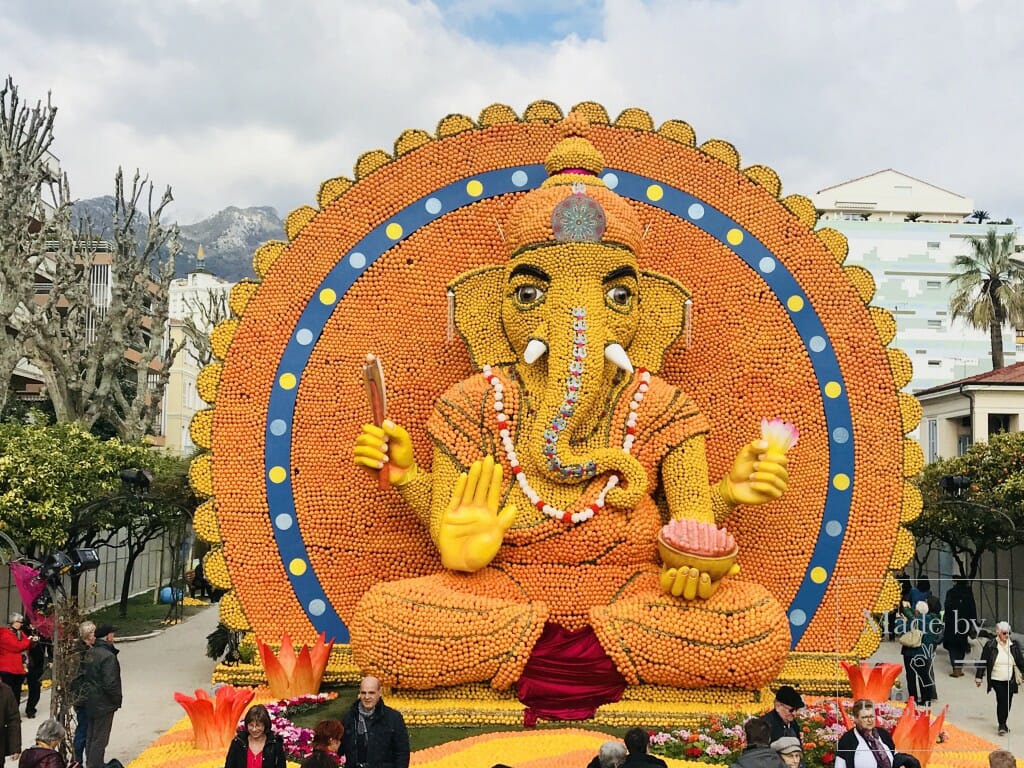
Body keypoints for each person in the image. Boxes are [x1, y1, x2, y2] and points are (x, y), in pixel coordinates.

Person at [340, 676, 410, 768]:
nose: (367, 697)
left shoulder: (393, 718)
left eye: (371, 693)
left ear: (379, 693)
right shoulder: (349, 717)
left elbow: (402, 753)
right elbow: (340, 747)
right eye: (363, 693)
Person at [974, 621, 1024, 736]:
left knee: (1008, 702)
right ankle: (1002, 724)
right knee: (1002, 700)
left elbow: (1020, 662)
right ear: (998, 633)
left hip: (1010, 678)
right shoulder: (990, 645)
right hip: (996, 678)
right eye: (1005, 633)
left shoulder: (1014, 646)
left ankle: (1003, 722)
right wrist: (979, 677)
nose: (1007, 635)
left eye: (1008, 633)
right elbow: (983, 661)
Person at [83, 624, 121, 768]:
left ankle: (91, 763)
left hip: (91, 700)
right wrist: (116, 700)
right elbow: (110, 683)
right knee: (100, 738)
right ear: (108, 636)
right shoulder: (108, 656)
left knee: (91, 735)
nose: (114, 637)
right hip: (104, 703)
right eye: (112, 634)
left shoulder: (90, 653)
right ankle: (95, 765)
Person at [900, 599, 941, 706]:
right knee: (924, 676)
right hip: (925, 652)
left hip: (910, 653)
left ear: (917, 611)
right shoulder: (932, 620)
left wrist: (902, 619)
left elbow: (902, 630)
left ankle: (912, 699)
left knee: (911, 676)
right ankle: (926, 699)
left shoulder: (913, 621)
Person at [835, 698, 896, 768]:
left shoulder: (883, 734)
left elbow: (895, 754)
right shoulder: (847, 740)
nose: (870, 720)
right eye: (865, 717)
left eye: (872, 716)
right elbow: (840, 765)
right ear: (856, 719)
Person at [225, 704, 287, 768]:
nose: (254, 729)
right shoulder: (238, 742)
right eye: (251, 725)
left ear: (265, 725)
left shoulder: (275, 744)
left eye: (258, 725)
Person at [69, 621, 96, 765]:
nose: (95, 635)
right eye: (93, 632)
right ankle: (77, 760)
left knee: (87, 729)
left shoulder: (88, 649)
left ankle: (83, 758)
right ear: (88, 635)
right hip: (83, 698)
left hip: (85, 697)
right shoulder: (80, 653)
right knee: (83, 730)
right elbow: (77, 678)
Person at [942, 577, 977, 676]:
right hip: (964, 623)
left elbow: (947, 607)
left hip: (951, 623)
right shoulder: (968, 594)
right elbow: (972, 608)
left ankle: (955, 668)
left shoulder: (950, 592)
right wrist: (973, 622)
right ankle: (959, 667)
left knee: (952, 645)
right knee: (961, 644)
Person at [0, 612, 34, 704]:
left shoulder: (20, 633)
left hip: (18, 668)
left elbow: (25, 645)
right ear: (14, 622)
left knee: (16, 694)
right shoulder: (5, 634)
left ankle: (14, 715)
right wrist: (28, 641)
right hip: (8, 668)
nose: (21, 624)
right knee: (7, 694)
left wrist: (32, 641)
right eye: (20, 622)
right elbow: (17, 646)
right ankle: (6, 715)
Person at [23, 619, 50, 718]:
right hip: (24, 662)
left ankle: (30, 708)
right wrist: (29, 640)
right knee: (16, 688)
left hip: (37, 663)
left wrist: (51, 659)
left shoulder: (43, 631)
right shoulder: (23, 630)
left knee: (35, 686)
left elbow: (48, 643)